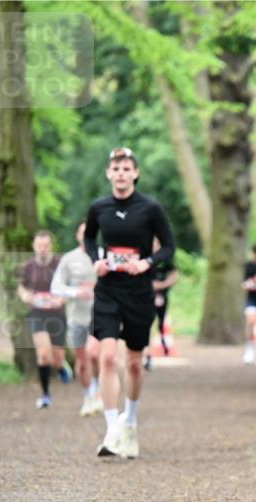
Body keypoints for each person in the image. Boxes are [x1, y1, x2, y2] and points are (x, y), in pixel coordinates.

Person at [85, 147, 176, 459]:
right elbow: (89, 238)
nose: (121, 173)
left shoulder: (150, 208)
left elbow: (169, 247)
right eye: (116, 168)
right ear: (108, 174)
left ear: (135, 173)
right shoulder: (98, 207)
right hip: (108, 289)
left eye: (126, 168)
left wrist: (146, 262)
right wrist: (96, 258)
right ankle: (112, 429)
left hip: (138, 291)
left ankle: (130, 421)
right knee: (107, 357)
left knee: (134, 362)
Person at [50, 221, 102, 416]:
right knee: (82, 359)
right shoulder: (69, 259)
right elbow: (56, 287)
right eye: (83, 232)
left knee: (95, 354)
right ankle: (88, 396)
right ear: (77, 236)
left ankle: (98, 392)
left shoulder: (103, 256)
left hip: (100, 316)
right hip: (77, 316)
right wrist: (75, 292)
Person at [17, 231, 68, 409]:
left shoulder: (60, 264)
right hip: (37, 313)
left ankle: (61, 367)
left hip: (57, 313)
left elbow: (70, 286)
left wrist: (62, 298)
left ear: (51, 246)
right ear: (34, 247)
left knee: (57, 358)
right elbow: (22, 287)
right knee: (43, 354)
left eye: (46, 246)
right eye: (39, 246)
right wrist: (25, 296)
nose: (43, 249)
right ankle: (45, 395)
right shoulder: (29, 266)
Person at [144, 238, 178, 371]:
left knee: (161, 323)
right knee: (147, 324)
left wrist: (162, 285)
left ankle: (164, 345)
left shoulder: (165, 260)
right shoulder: (144, 258)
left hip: (162, 297)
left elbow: (174, 275)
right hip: (146, 297)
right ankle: (147, 355)